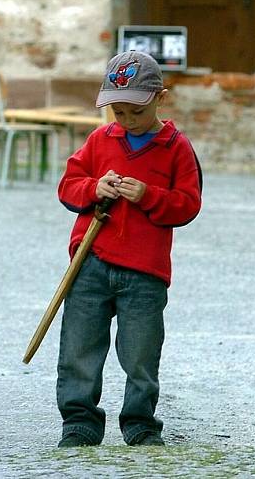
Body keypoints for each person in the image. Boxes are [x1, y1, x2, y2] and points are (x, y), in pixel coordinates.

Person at [55, 51, 202, 448]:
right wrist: (94, 188)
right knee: (79, 346)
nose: (125, 120)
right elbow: (68, 186)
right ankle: (80, 422)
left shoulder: (176, 147)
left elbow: (188, 204)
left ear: (160, 97)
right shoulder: (100, 140)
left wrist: (149, 196)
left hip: (145, 272)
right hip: (91, 262)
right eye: (117, 111)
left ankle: (139, 423)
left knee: (140, 353)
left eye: (134, 111)